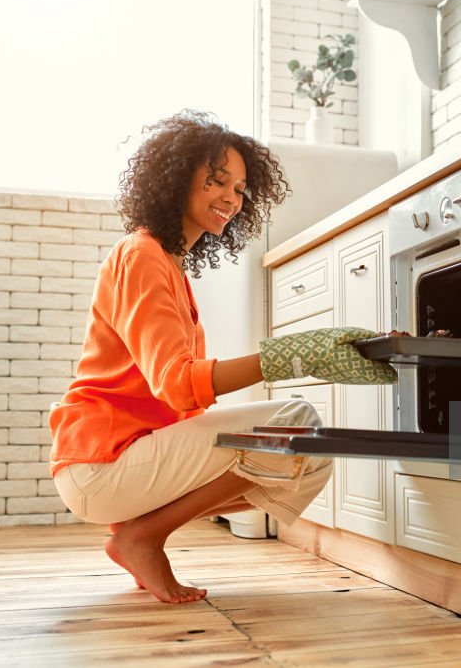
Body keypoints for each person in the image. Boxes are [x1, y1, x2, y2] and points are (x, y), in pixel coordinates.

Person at [48, 110, 395, 605]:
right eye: (217, 181)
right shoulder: (141, 254)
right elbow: (176, 384)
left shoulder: (168, 264)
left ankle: (142, 534)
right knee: (295, 423)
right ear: (173, 179)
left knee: (309, 455)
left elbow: (180, 403)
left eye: (240, 189)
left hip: (126, 460)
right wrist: (292, 358)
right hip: (102, 461)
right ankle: (142, 538)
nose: (231, 198)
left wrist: (317, 353)